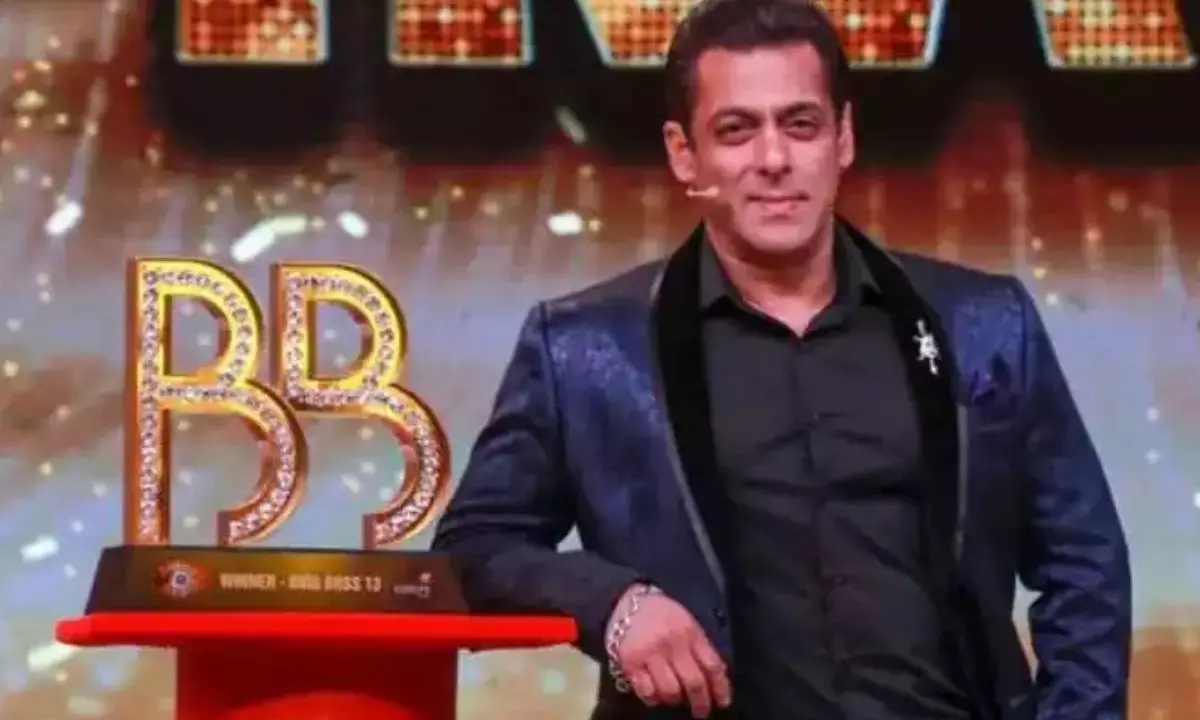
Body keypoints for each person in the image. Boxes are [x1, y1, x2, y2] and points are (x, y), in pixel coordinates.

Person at [432, 1, 1131, 718]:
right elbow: (471, 549)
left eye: (800, 124)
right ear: (684, 153)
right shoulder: (585, 347)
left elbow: (1084, 564)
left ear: (843, 136)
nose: (773, 160)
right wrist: (613, 602)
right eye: (736, 130)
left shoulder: (983, 323)